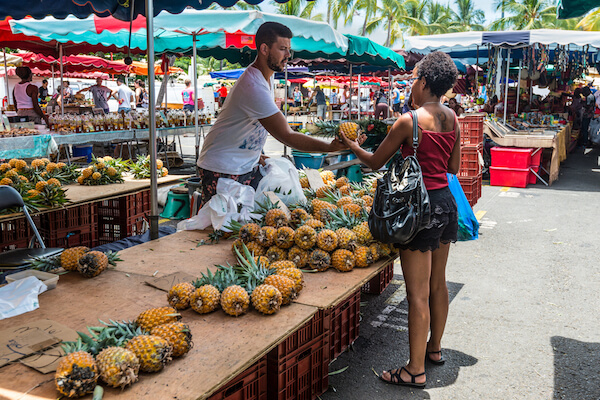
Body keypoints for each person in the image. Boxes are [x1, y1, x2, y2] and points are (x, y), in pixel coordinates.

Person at [340, 51, 460, 389]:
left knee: (417, 294)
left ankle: (414, 370)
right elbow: (452, 169)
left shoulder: (409, 120)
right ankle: (434, 350)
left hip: (416, 210)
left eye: (413, 79)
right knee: (439, 283)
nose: (410, 85)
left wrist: (351, 144)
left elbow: (376, 162)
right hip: (444, 205)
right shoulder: (452, 117)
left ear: (423, 81)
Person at [196, 22, 350, 207]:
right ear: (264, 49)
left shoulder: (267, 78)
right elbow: (287, 135)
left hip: (241, 165)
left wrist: (255, 154)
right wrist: (330, 147)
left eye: (289, 50)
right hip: (221, 168)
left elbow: (252, 125)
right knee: (224, 229)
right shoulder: (252, 86)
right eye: (283, 49)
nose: (288, 56)